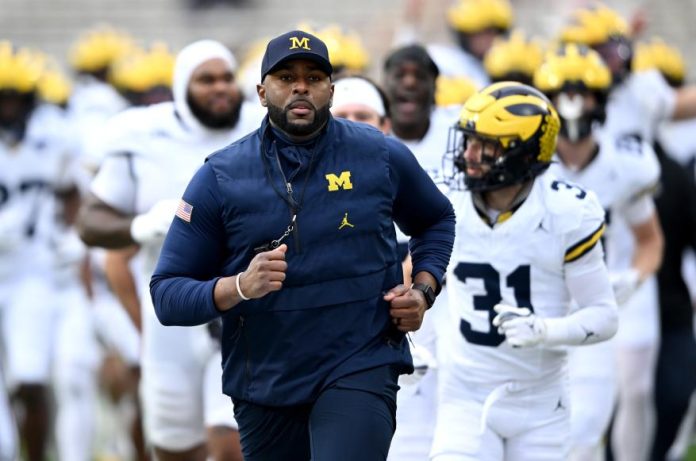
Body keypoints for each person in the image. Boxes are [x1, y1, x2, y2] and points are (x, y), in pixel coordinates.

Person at [149, 29, 456, 461]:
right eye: (285, 77)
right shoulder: (220, 176)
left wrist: (423, 290)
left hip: (361, 361)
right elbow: (166, 294)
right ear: (261, 92)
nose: (300, 87)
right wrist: (239, 286)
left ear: (331, 89)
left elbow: (437, 219)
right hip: (266, 378)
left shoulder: (379, 154)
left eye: (313, 77)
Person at [77, 39, 263, 461]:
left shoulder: (260, 128)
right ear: (181, 87)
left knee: (231, 443)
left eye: (226, 78)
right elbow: (90, 221)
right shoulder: (142, 135)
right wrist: (139, 225)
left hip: (242, 309)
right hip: (170, 319)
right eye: (206, 80)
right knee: (173, 448)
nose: (220, 88)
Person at [431, 81, 618, 461]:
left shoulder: (565, 212)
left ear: (523, 152)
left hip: (541, 403)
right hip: (465, 394)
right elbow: (409, 274)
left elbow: (604, 316)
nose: (468, 154)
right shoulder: (446, 199)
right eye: (468, 141)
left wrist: (544, 330)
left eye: (485, 145)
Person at [534, 43, 664, 461]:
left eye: (583, 94)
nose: (573, 106)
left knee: (586, 429)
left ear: (602, 99)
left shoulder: (626, 163)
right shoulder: (526, 165)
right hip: (538, 304)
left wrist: (634, 278)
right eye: (563, 95)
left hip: (595, 303)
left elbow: (650, 239)